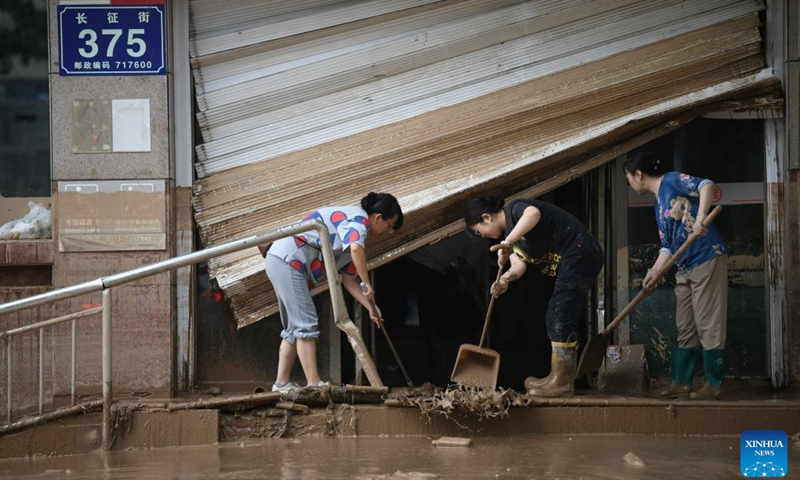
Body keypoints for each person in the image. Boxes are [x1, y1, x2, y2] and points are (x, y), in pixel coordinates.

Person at [464, 194, 604, 397]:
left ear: (486, 217)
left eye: (479, 231)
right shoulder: (511, 240)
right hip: (571, 261)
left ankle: (562, 382)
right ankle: (559, 376)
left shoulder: (515, 210)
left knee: (559, 313)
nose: (483, 236)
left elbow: (533, 213)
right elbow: (519, 266)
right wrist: (504, 280)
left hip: (580, 251)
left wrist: (509, 241)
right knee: (557, 314)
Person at [265, 192, 404, 393]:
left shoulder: (349, 232)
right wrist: (367, 283)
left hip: (283, 260)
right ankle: (314, 384)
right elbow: (356, 250)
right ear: (378, 218)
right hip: (289, 259)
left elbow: (348, 280)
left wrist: (371, 308)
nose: (386, 231)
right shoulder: (358, 220)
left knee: (294, 327)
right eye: (389, 226)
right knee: (306, 323)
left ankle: (282, 383)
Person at [624, 152, 727, 400]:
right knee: (686, 326)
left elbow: (706, 185)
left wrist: (701, 217)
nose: (629, 184)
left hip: (706, 256)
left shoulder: (670, 181)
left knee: (708, 322)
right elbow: (667, 248)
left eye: (628, 178)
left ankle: (714, 385)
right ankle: (681, 383)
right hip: (683, 266)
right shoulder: (659, 205)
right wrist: (654, 273)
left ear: (638, 175)